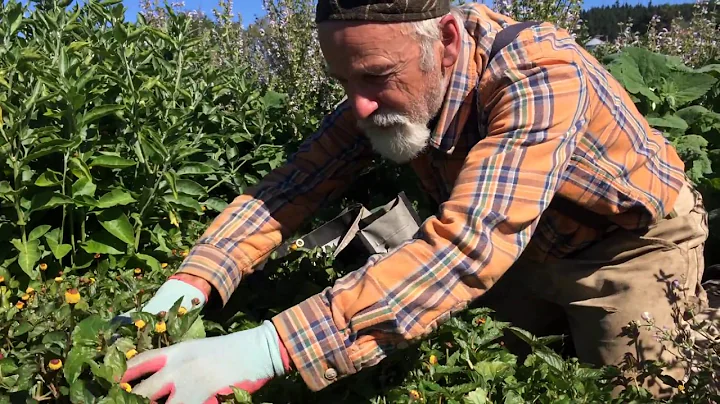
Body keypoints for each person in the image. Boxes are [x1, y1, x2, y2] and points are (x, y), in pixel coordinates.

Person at [118, 0, 715, 402]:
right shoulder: (390, 80)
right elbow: (292, 187)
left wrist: (265, 347)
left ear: (447, 41)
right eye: (344, 83)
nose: (359, 106)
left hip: (626, 245)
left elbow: (468, 244)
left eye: (376, 76)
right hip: (527, 249)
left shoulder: (540, 74)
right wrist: (188, 285)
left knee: (639, 390)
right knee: (491, 374)